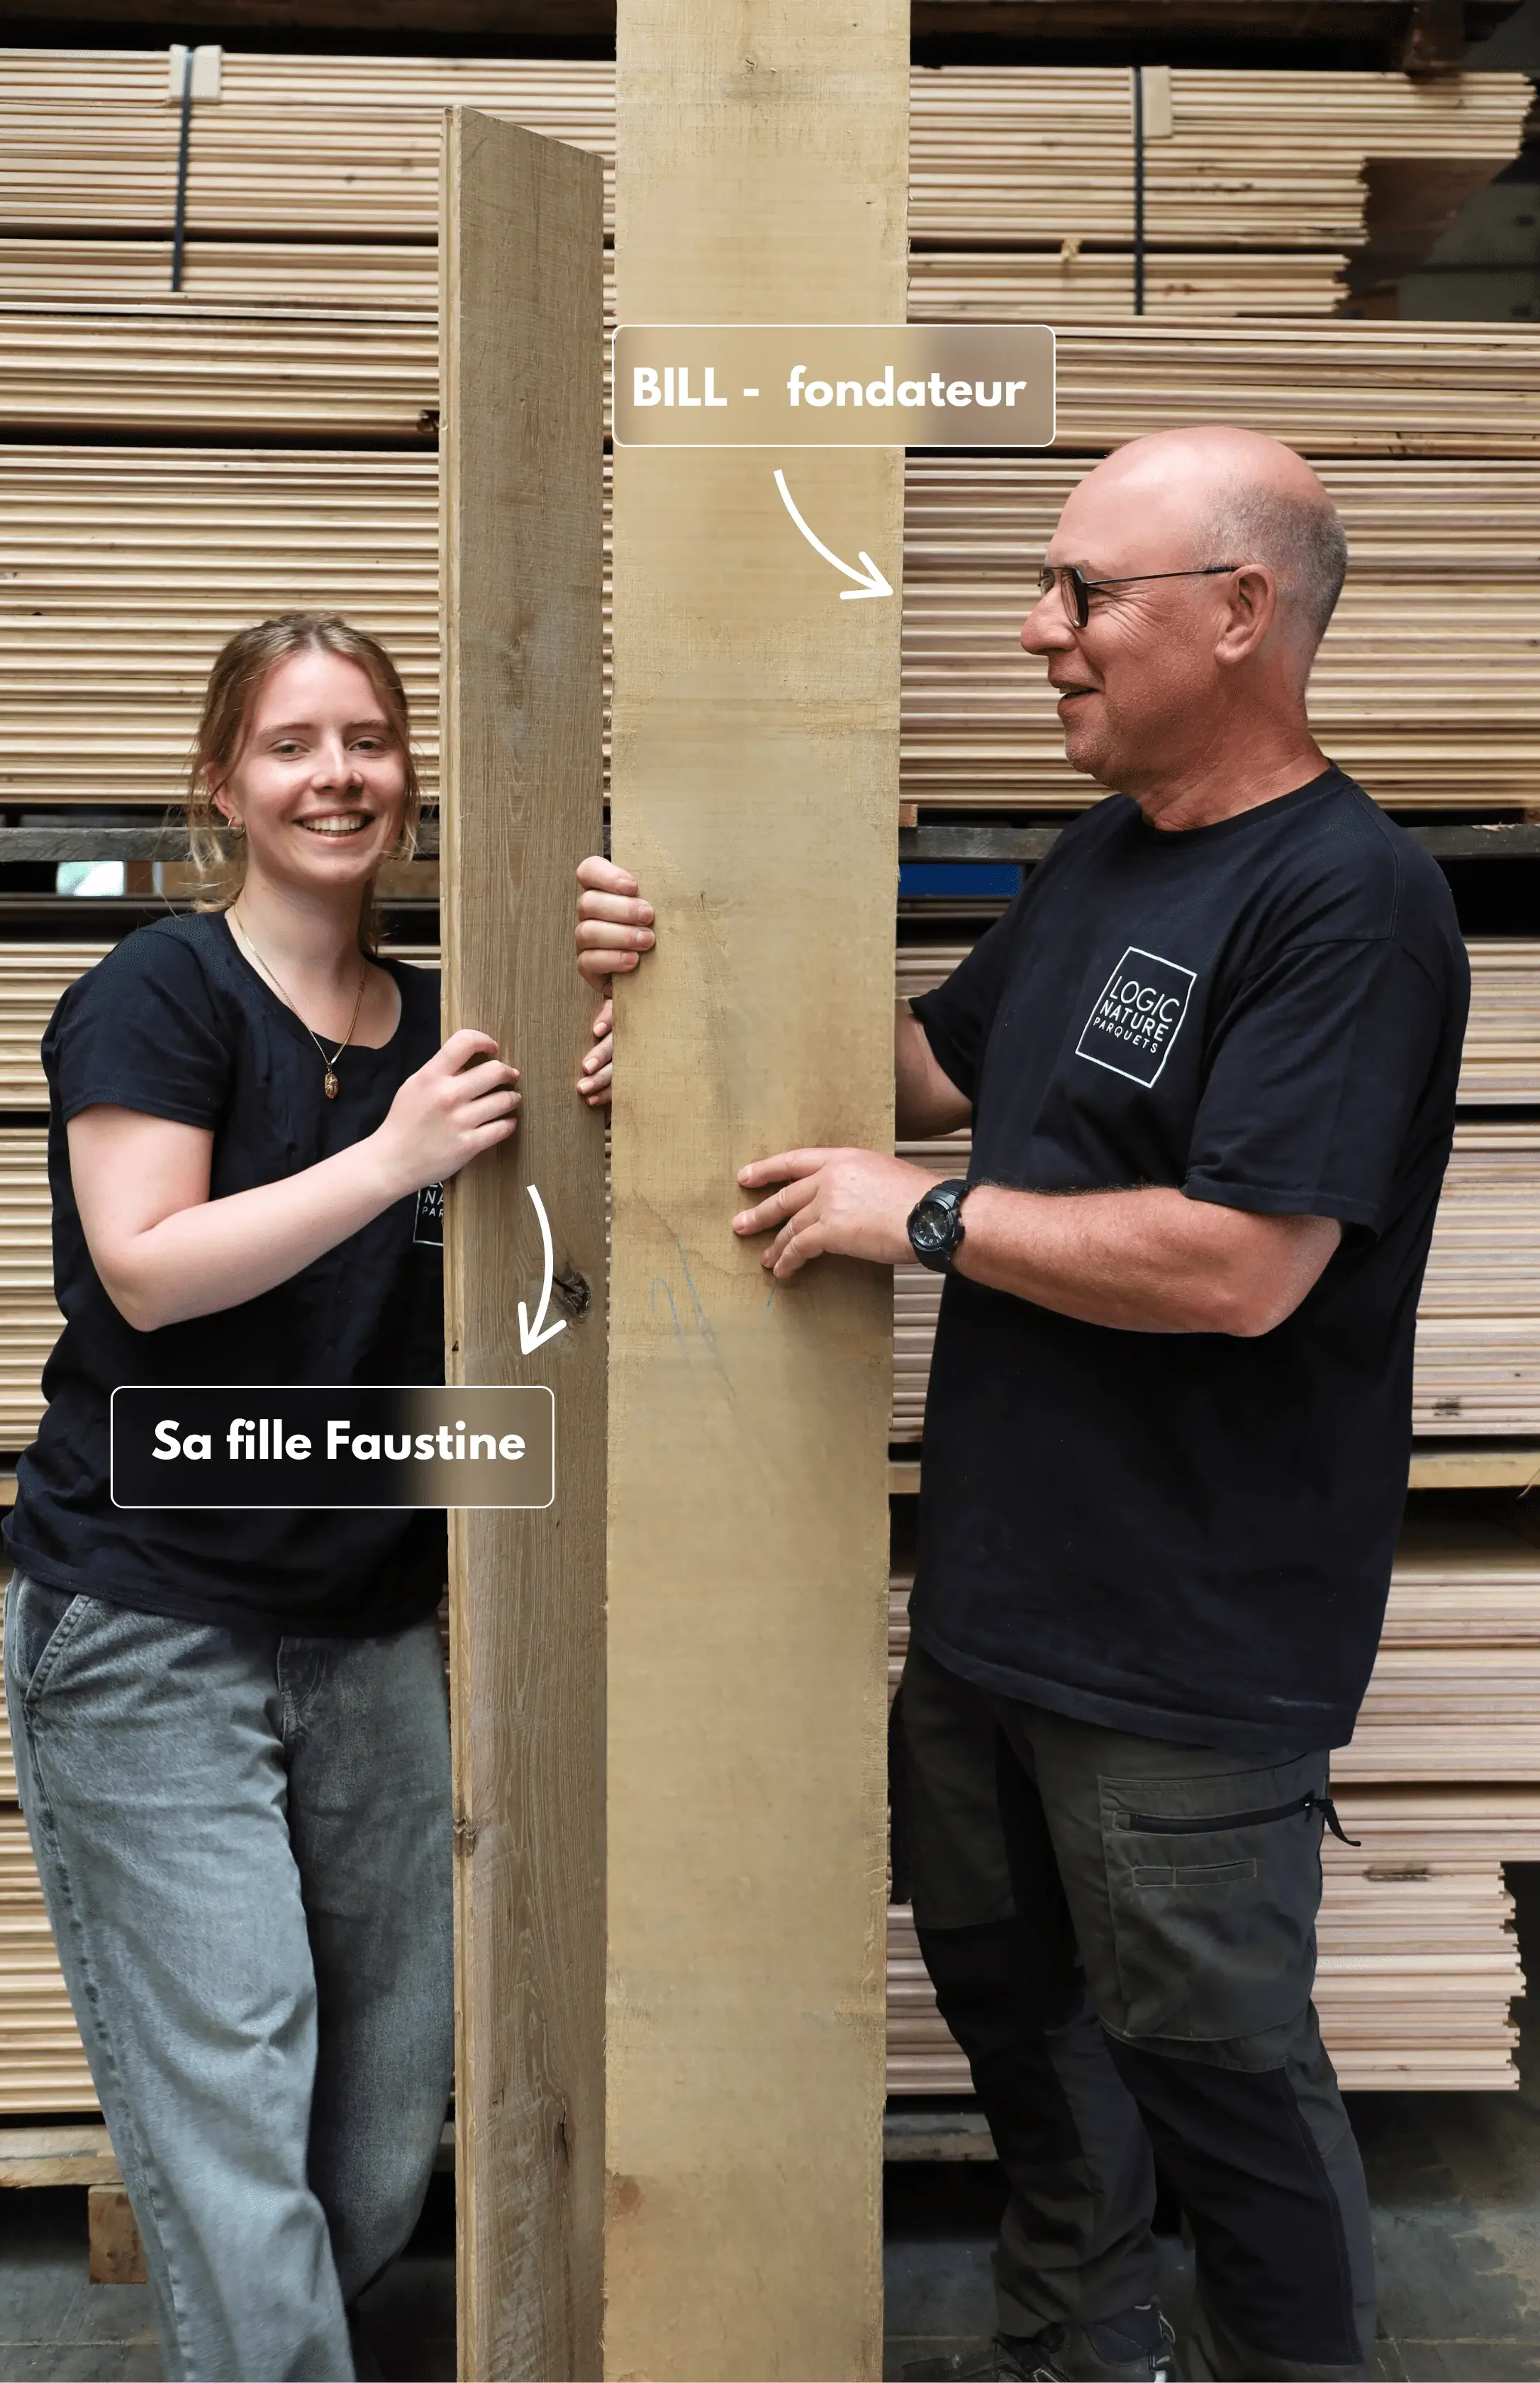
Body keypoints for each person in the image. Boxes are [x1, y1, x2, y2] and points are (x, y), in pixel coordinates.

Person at [574, 427, 1470, 2383]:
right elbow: (922, 1066)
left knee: (1218, 2074)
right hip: (1003, 1605)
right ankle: (1086, 2347)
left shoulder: (1348, 901)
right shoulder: (1102, 859)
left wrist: (935, 1223)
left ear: (1239, 616)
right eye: (1046, 588)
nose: (1035, 628)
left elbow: (1248, 1266)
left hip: (1192, 1638)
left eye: (1082, 592)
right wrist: (673, 985)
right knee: (1025, 2025)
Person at [3, 613, 535, 2382]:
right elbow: (147, 1269)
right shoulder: (158, 995)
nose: (338, 775)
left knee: (379, 2120)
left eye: (370, 739)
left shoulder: (453, 1039)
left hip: (366, 1626)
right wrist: (395, 1156)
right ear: (221, 782)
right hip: (151, 1623)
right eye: (294, 742)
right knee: (232, 2087)